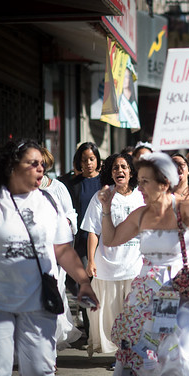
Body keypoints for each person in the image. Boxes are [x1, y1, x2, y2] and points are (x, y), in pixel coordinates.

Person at [101, 152, 189, 376]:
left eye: (146, 181)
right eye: (140, 180)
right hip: (145, 295)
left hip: (179, 292)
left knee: (182, 358)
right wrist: (106, 209)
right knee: (143, 356)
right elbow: (111, 239)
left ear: (164, 183)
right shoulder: (141, 214)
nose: (140, 186)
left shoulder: (185, 207)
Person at [0, 139, 98, 376]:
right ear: (13, 167)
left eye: (42, 164)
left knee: (41, 375)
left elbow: (63, 250)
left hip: (39, 303)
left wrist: (83, 281)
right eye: (32, 163)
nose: (40, 169)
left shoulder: (48, 202)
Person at [80, 153, 144, 358]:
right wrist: (90, 261)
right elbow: (92, 231)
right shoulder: (102, 197)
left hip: (135, 266)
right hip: (107, 267)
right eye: (115, 168)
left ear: (131, 171)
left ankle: (132, 352)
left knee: (134, 312)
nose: (119, 171)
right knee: (113, 315)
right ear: (110, 172)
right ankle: (120, 353)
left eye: (124, 167)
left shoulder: (141, 196)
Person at [38, 147, 82, 349]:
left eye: (41, 164)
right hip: (34, 252)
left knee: (55, 290)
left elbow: (71, 215)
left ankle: (51, 344)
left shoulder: (58, 188)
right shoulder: (22, 189)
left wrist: (64, 222)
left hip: (56, 250)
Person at [58, 141, 102, 336]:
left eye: (92, 159)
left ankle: (102, 329)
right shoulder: (72, 185)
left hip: (104, 241)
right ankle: (90, 331)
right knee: (84, 283)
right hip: (81, 242)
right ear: (79, 162)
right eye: (84, 160)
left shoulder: (105, 183)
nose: (88, 163)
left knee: (102, 285)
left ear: (98, 160)